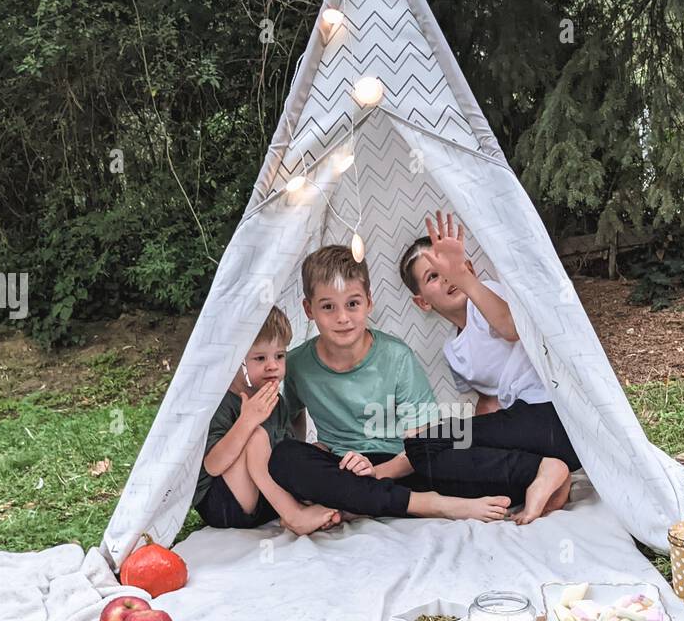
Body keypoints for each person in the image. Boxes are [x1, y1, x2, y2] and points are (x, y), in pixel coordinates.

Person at [268, 244, 529, 522]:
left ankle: (366, 502)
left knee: (491, 474)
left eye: (352, 304)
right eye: (328, 307)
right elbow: (294, 415)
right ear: (309, 309)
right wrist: (316, 450)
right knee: (284, 457)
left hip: (400, 465)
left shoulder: (397, 356)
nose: (342, 318)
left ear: (369, 302)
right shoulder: (296, 364)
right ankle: (422, 504)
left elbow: (423, 445)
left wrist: (375, 472)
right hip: (341, 466)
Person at [397, 211, 578, 523]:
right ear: (423, 302)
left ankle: (546, 470)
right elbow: (490, 403)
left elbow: (510, 327)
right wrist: (469, 442)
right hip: (527, 433)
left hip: (555, 417)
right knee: (425, 449)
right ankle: (545, 476)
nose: (445, 278)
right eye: (433, 276)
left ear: (467, 267)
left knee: (428, 442)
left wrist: (465, 280)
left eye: (448, 268)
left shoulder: (489, 297)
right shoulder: (453, 352)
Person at [191, 307, 340, 535]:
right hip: (225, 504)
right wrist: (247, 421)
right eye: (260, 358)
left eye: (279, 356)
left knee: (317, 450)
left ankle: (295, 510)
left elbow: (286, 452)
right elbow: (213, 465)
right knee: (256, 436)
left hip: (264, 501)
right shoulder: (221, 400)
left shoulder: (275, 400)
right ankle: (294, 516)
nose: (273, 365)